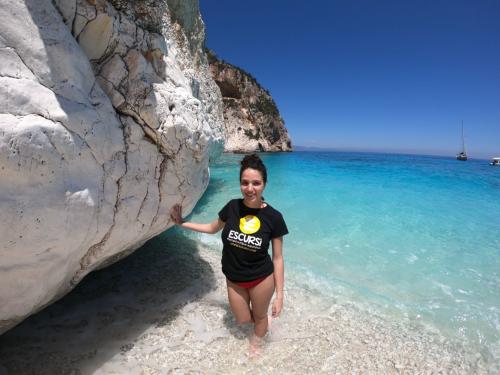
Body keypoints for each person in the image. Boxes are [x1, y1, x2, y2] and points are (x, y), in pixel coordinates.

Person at [170, 154, 288, 353]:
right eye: (245, 183)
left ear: (264, 184)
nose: (250, 188)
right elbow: (211, 227)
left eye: (256, 183)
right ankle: (262, 324)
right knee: (242, 318)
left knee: (259, 317)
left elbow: (278, 258)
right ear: (240, 184)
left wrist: (280, 295)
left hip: (261, 278)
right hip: (234, 278)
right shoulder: (232, 207)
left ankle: (256, 343)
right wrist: (182, 222)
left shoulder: (274, 217)